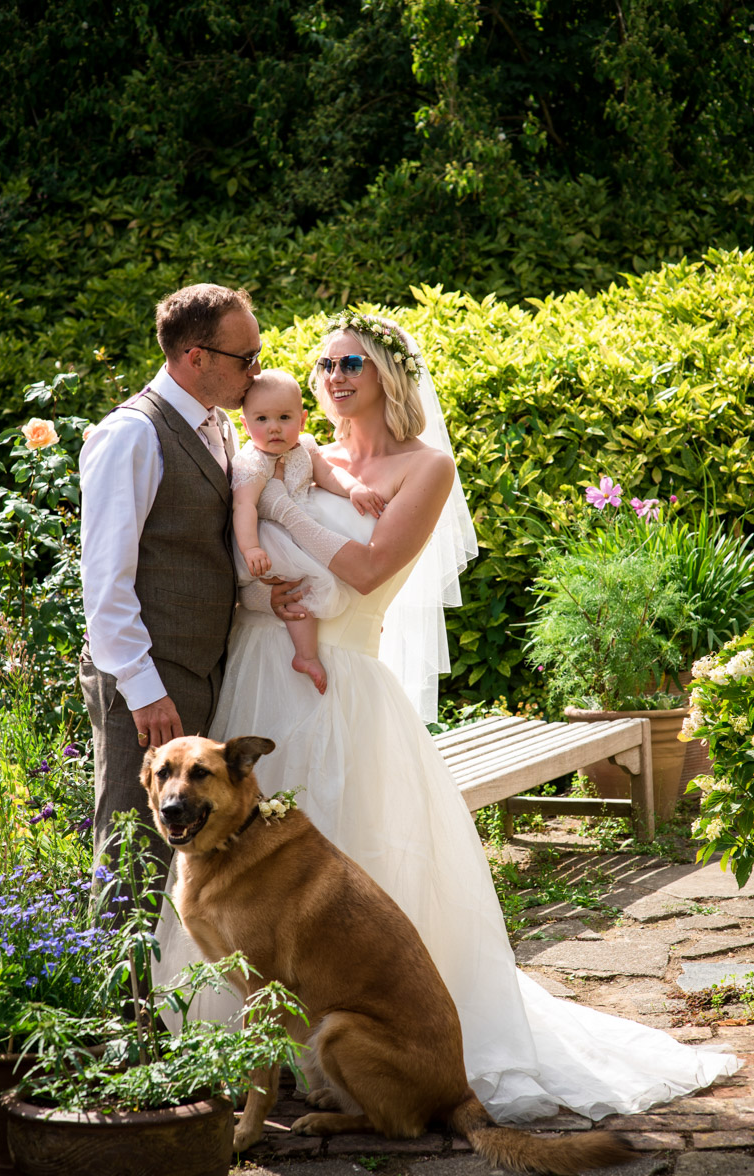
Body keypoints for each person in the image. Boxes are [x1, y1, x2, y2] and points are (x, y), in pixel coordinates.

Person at [157, 310, 741, 1123]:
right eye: (322, 363)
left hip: (339, 689)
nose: (331, 376)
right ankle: (251, 1056)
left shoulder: (423, 466)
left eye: (351, 361)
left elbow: (368, 568)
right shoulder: (290, 450)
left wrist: (284, 525)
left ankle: (383, 1041)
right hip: (256, 672)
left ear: (390, 374)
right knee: (234, 881)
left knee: (354, 870)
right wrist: (257, 581)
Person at [80, 283, 286, 895]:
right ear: (195, 357)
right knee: (132, 859)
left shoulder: (218, 427)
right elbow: (105, 580)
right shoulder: (133, 435)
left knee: (184, 856)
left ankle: (169, 991)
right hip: (146, 678)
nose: (257, 369)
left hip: (200, 669)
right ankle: (118, 994)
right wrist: (144, 691)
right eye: (244, 357)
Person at [232, 367, 385, 694]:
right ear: (245, 425)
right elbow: (243, 507)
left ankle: (346, 625)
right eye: (262, 420)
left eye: (284, 417)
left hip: (300, 525)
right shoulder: (253, 462)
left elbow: (329, 475)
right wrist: (250, 549)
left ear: (302, 420)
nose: (274, 428)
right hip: (267, 537)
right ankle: (306, 654)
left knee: (335, 558)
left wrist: (354, 488)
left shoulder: (305, 446)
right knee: (304, 585)